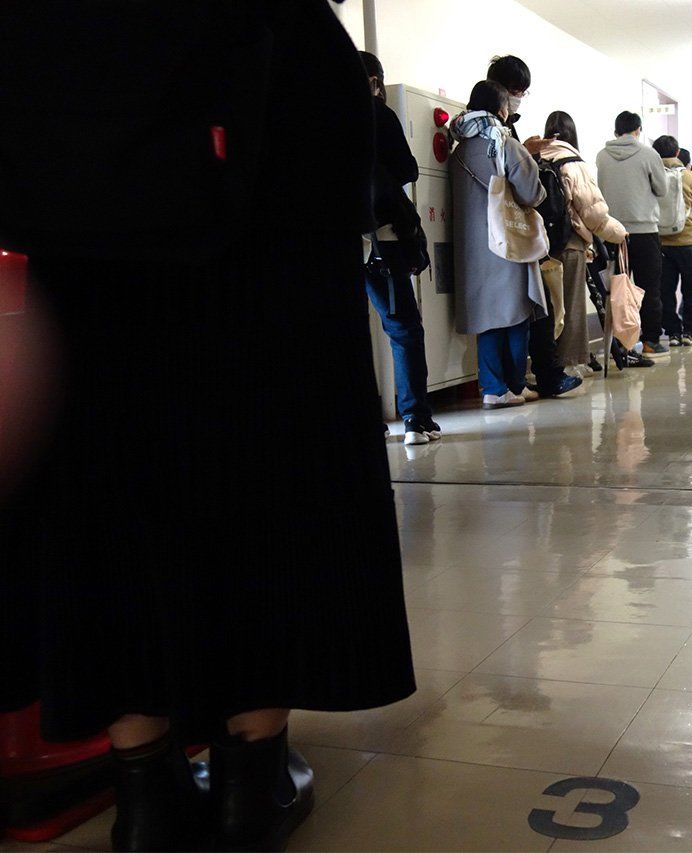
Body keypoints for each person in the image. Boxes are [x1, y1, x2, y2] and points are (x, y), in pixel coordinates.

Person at [0, 4, 416, 850]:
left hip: (93, 234)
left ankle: (144, 792)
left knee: (107, 501)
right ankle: (247, 783)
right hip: (269, 237)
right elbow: (340, 162)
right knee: (270, 483)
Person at [359, 51, 442, 443]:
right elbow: (408, 169)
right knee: (404, 328)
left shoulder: (316, 116)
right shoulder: (377, 114)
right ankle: (415, 420)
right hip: (384, 240)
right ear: (375, 80)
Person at [449, 80, 549, 409]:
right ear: (502, 109)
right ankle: (515, 385)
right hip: (505, 240)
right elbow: (532, 192)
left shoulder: (459, 149)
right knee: (516, 314)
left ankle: (492, 387)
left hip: (470, 248)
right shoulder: (504, 143)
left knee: (487, 318)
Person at [486, 55, 580, 397]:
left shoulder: (499, 127)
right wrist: (525, 154)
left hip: (507, 228)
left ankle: (519, 379)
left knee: (528, 308)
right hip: (511, 228)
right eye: (515, 91)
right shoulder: (497, 132)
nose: (519, 97)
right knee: (535, 306)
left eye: (523, 91)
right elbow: (521, 183)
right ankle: (541, 376)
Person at [540, 111, 627, 375]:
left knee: (547, 307)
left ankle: (545, 363)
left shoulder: (535, 157)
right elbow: (593, 213)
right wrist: (619, 233)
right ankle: (568, 363)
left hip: (539, 244)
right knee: (571, 304)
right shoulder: (572, 162)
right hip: (569, 243)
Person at [595, 110, 669, 358]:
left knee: (618, 290)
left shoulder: (601, 156)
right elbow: (662, 189)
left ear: (616, 131)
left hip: (613, 234)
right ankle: (650, 341)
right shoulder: (649, 153)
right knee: (649, 288)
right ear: (638, 130)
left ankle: (623, 344)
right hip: (645, 230)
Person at [653, 135, 692, 346]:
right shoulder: (690, 177)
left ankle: (673, 331)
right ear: (677, 153)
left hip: (662, 242)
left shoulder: (652, 176)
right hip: (689, 240)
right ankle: (689, 332)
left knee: (665, 290)